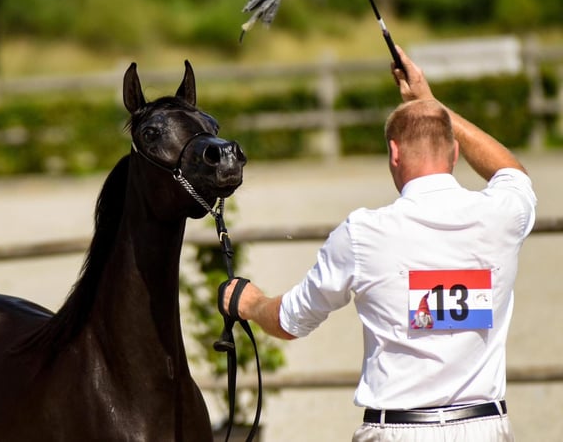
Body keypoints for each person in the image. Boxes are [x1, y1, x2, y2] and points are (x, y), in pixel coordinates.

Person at [218, 46, 537, 441]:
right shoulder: (502, 214)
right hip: (485, 428)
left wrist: (249, 302)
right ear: (455, 151)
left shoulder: (363, 233)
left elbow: (290, 321)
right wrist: (431, 103)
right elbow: (512, 173)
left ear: (394, 153)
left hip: (399, 430)